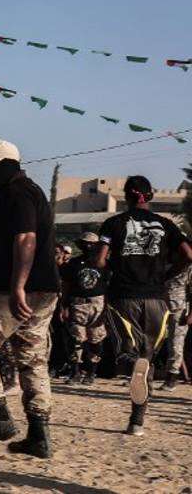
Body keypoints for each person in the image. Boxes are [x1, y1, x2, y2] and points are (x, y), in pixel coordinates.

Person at [0, 140, 60, 459]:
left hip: (9, 288)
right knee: (31, 356)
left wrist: (18, 286)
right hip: (44, 289)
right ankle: (39, 434)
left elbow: (26, 238)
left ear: (7, 166)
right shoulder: (30, 192)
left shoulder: (16, 195)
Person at [93, 175, 192, 435]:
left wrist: (115, 267)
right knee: (146, 359)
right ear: (150, 196)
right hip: (158, 299)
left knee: (127, 353)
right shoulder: (166, 224)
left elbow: (100, 260)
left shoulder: (114, 223)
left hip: (124, 296)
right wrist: (166, 275)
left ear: (126, 197)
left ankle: (130, 358)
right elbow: (189, 255)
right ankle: (136, 422)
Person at [58, 232, 108, 385]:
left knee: (96, 339)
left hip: (97, 303)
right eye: (85, 243)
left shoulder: (104, 263)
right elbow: (66, 285)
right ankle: (75, 372)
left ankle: (91, 372)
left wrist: (107, 307)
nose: (88, 246)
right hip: (77, 303)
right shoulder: (73, 264)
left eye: (92, 244)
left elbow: (109, 285)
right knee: (76, 339)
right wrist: (63, 306)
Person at [162, 263, 191, 391]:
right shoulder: (163, 261)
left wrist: (191, 314)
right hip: (160, 307)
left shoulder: (189, 267)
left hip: (179, 310)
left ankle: (171, 378)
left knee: (175, 344)